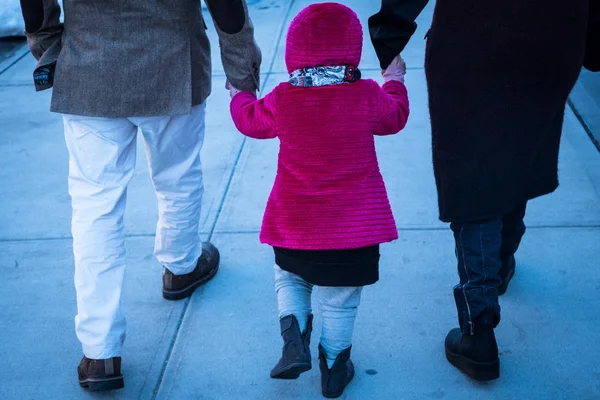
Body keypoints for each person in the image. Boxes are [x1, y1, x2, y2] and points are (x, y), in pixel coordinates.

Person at [19, 0, 261, 391]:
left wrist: (47, 43)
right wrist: (240, 62)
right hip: (173, 61)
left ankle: (99, 352)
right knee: (178, 177)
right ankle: (182, 267)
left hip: (89, 63)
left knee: (95, 208)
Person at [370, 0, 600, 382]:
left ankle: (479, 330)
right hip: (553, 34)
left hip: (473, 34)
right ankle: (500, 261)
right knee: (520, 146)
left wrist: (389, 34)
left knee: (471, 170)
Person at [228, 3, 410, 398]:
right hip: (354, 232)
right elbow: (395, 118)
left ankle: (294, 341)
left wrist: (239, 95)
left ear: (295, 49)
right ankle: (333, 369)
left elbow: (250, 121)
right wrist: (393, 80)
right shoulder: (365, 95)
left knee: (290, 276)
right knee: (340, 301)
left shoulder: (284, 98)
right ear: (352, 46)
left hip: (294, 226)